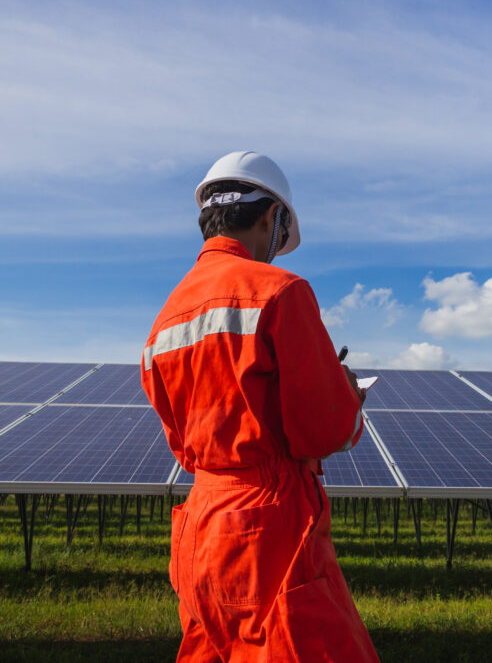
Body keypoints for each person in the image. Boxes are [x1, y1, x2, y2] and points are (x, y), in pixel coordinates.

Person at [141, 151, 379, 662]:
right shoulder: (280, 291)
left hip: (200, 529)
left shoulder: (166, 319)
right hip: (268, 534)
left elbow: (181, 443)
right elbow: (323, 430)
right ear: (271, 217)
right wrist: (347, 394)